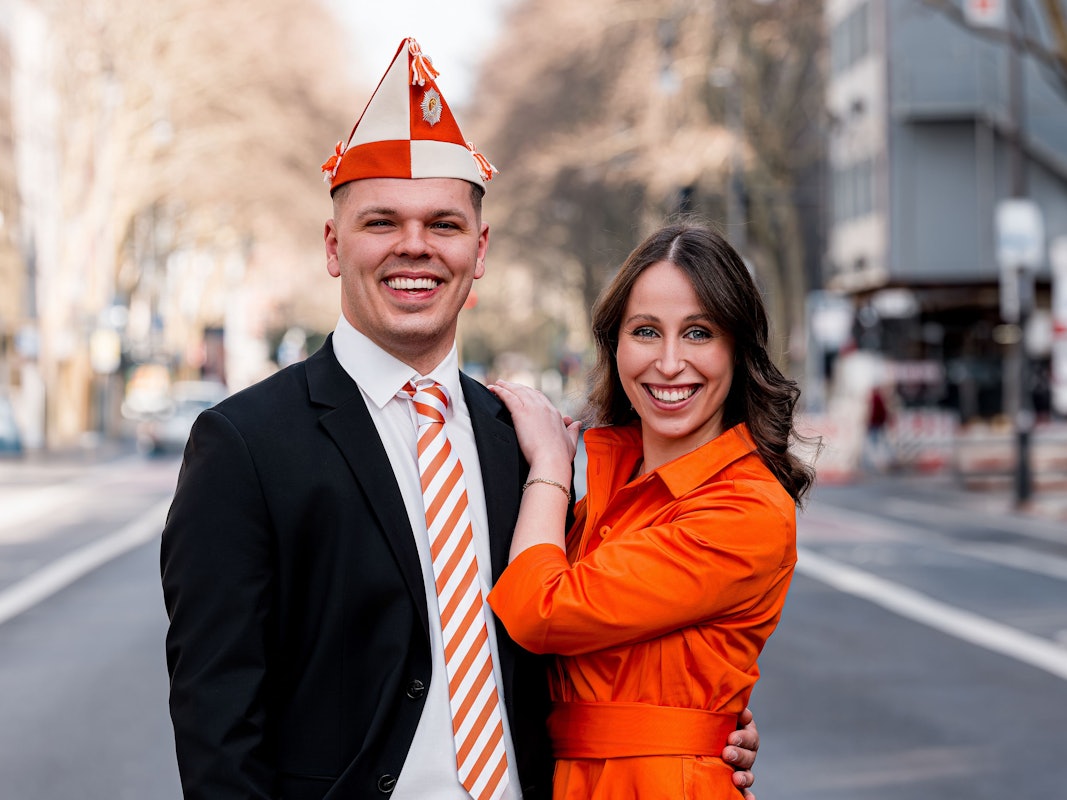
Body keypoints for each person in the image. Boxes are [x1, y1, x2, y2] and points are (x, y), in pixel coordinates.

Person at [160, 39, 760, 800]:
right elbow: (217, 725)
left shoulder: (528, 443)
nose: (414, 246)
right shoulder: (243, 446)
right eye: (381, 222)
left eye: (442, 225)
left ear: (479, 251)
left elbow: (597, 646)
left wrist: (704, 732)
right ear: (332, 246)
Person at [487, 221, 815, 799]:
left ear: (736, 349)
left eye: (697, 333)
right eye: (645, 331)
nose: (668, 363)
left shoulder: (745, 507)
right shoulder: (608, 475)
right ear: (615, 346)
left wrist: (548, 467)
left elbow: (542, 611)